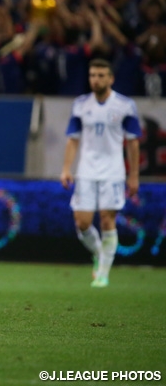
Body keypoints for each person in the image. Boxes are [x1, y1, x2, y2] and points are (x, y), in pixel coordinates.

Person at [60, 58, 141, 288]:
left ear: (111, 78)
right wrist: (66, 168)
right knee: (82, 222)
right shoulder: (80, 104)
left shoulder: (125, 105)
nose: (95, 79)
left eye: (100, 75)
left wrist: (133, 175)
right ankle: (99, 253)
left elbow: (133, 142)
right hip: (86, 170)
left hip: (113, 171)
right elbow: (73, 139)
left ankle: (103, 273)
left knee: (107, 219)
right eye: (92, 75)